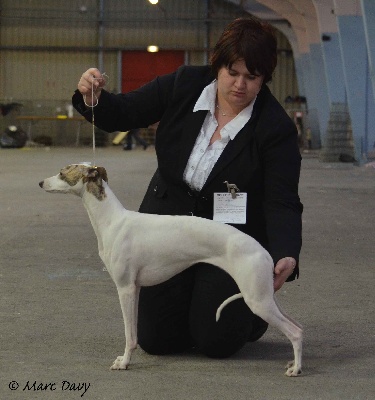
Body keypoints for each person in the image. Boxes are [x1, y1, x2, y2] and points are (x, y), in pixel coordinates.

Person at [73, 16, 303, 359]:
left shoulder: (275, 128)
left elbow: (281, 200)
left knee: (216, 342)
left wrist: (286, 252)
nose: (240, 85)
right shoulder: (183, 84)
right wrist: (93, 96)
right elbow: (124, 112)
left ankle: (253, 318)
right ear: (218, 65)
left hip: (226, 235)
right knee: (158, 340)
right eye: (232, 73)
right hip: (165, 227)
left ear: (264, 78)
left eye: (252, 77)